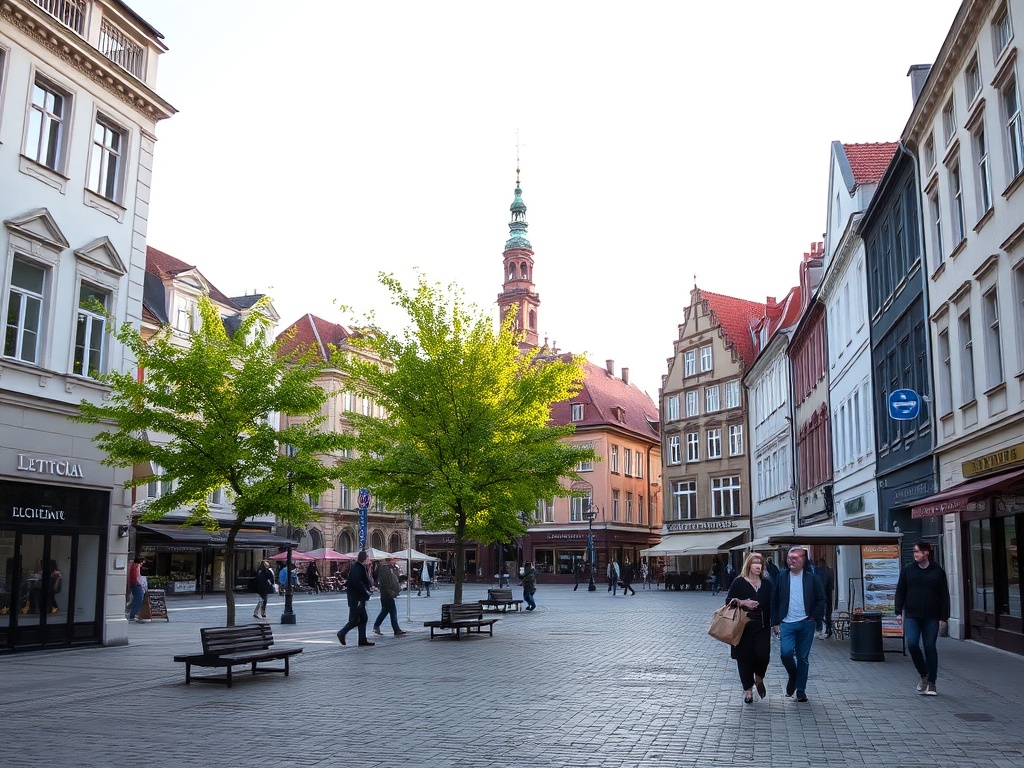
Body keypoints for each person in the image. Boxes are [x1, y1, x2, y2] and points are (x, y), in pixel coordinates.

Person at [894, 540, 950, 696]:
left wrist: (943, 617)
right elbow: (900, 591)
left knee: (930, 647)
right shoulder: (908, 570)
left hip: (932, 616)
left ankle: (932, 683)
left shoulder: (937, 571)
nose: (915, 554)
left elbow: (944, 595)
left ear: (927, 553)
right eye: (914, 552)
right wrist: (898, 611)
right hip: (912, 614)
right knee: (912, 644)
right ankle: (923, 674)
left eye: (917, 551)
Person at [770, 546, 825, 702]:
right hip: (786, 622)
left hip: (806, 623)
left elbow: (821, 599)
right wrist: (775, 622)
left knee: (802, 657)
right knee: (785, 653)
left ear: (803, 559)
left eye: (795, 557)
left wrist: (814, 617)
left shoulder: (812, 578)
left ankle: (801, 690)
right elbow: (774, 600)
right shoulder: (781, 577)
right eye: (789, 557)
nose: (792, 560)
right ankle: (793, 675)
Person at [725, 553, 773, 704]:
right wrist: (743, 602)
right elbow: (728, 601)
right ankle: (748, 690)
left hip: (762, 626)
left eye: (760, 563)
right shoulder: (739, 582)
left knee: (763, 654)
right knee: (744, 659)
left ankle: (759, 677)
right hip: (743, 627)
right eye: (754, 563)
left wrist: (776, 623)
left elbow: (773, 603)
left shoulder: (767, 583)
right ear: (749, 565)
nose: (758, 566)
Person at [338, 550, 375, 647]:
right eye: (368, 557)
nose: (369, 559)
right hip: (356, 597)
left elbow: (364, 581)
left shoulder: (362, 567)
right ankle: (342, 632)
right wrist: (366, 591)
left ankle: (362, 640)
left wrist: (369, 588)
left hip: (359, 597)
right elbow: (357, 582)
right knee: (355, 619)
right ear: (364, 558)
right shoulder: (357, 567)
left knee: (363, 618)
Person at [373, 556, 407, 636]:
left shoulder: (389, 568)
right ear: (389, 560)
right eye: (392, 559)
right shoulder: (385, 568)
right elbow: (385, 582)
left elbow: (393, 579)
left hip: (387, 594)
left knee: (385, 611)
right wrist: (391, 592)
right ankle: (396, 630)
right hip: (387, 594)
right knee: (393, 612)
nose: (394, 561)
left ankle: (376, 626)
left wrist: (402, 578)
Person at [815, 558, 834, 639]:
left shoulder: (819, 571)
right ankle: (827, 629)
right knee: (826, 614)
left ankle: (825, 630)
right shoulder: (829, 570)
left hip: (823, 596)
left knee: (822, 614)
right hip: (828, 595)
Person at [127, 556, 145, 623]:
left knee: (136, 599)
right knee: (139, 598)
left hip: (134, 584)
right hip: (136, 584)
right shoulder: (135, 566)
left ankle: (130, 611)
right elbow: (136, 577)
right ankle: (132, 614)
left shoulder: (133, 565)